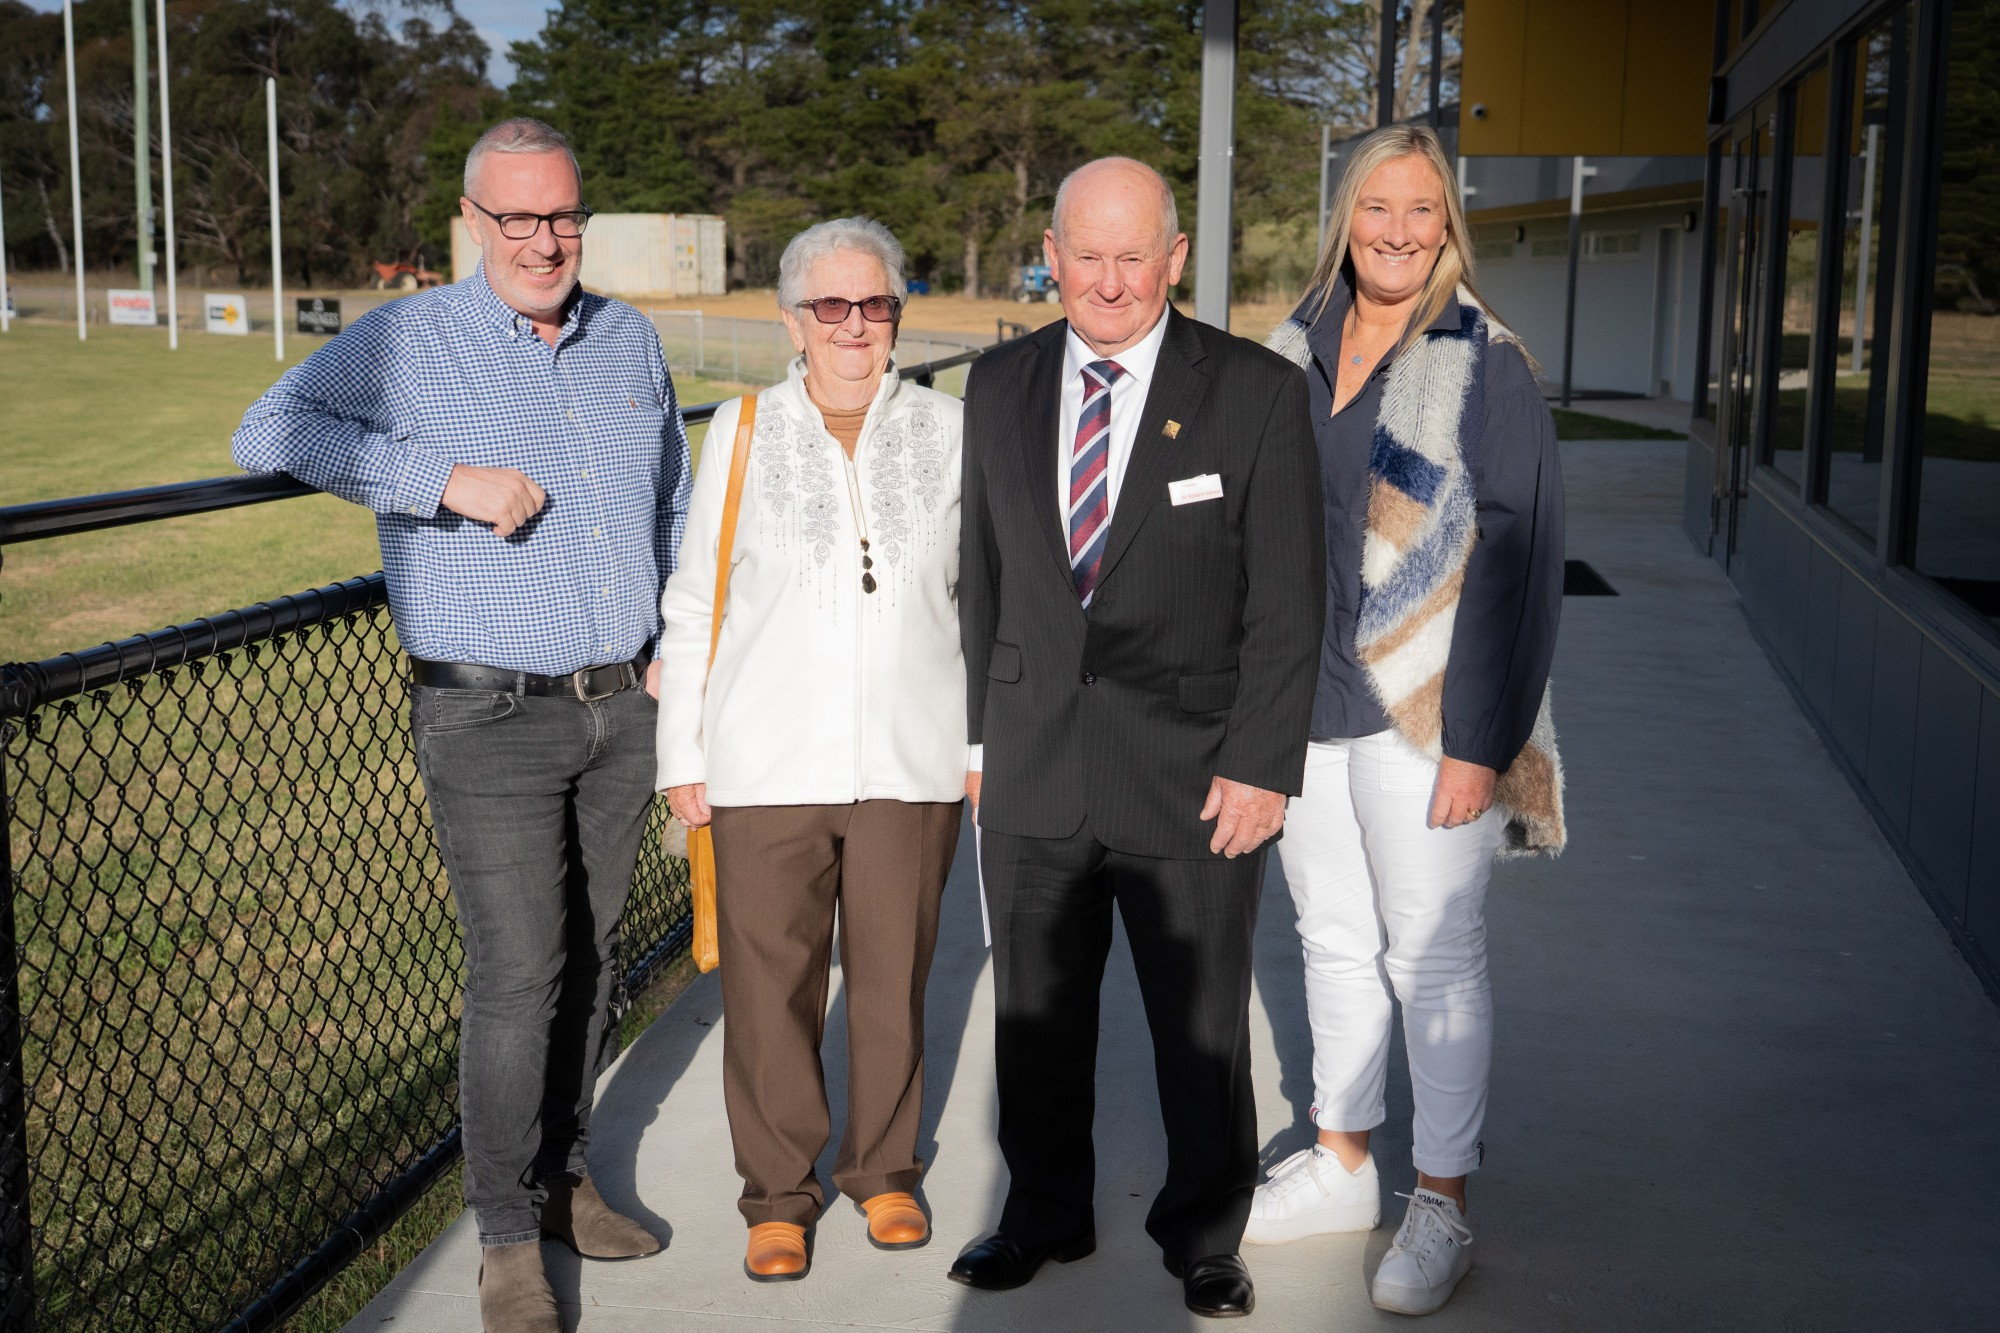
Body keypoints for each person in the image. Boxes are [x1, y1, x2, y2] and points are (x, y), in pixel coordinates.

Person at [232, 118, 688, 1333]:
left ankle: (562, 1177)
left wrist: (669, 652)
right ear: (473, 223)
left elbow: (670, 500)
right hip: (488, 711)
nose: (545, 241)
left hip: (622, 702)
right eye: (518, 218)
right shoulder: (409, 338)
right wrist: (445, 482)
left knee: (595, 961)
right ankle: (501, 1238)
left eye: (564, 216)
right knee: (520, 971)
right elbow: (268, 431)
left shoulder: (626, 337)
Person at [951, 157, 1325, 1319]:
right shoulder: (997, 382)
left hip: (1194, 773)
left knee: (1199, 1029)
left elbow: (1287, 600)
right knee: (1036, 1018)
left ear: (1173, 260)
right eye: (1085, 255)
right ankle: (1043, 1210)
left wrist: (1261, 763)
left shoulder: (1256, 391)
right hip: (1033, 762)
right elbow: (987, 579)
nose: (1107, 282)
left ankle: (1203, 1230)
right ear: (1049, 256)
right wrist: (978, 742)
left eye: (1132, 257)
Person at [1245, 124, 1566, 1317]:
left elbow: (1520, 568)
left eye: (1418, 211)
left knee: (1430, 956)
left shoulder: (1483, 362)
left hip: (1426, 716)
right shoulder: (1287, 349)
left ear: (1447, 226)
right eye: (1374, 207)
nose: (1393, 231)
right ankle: (1340, 1160)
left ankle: (1439, 1201)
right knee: (1330, 940)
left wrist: (1480, 742)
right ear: (1345, 215)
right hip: (1304, 702)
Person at [656, 218, 967, 1284]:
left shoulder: (949, 431)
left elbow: (986, 600)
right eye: (827, 306)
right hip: (761, 763)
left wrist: (972, 743)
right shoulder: (740, 433)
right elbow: (693, 604)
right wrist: (679, 754)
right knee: (767, 987)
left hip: (909, 760)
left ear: (894, 316)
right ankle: (776, 1194)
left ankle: (883, 1171)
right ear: (793, 321)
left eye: (871, 304)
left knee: (893, 981)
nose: (851, 325)